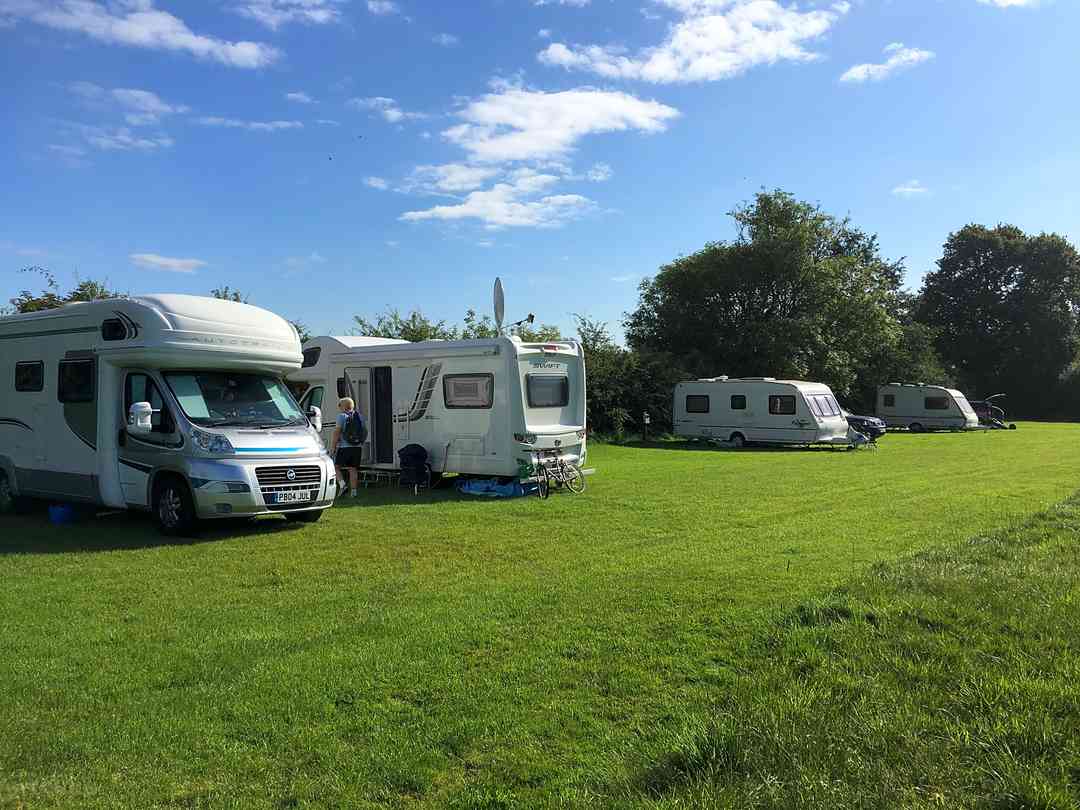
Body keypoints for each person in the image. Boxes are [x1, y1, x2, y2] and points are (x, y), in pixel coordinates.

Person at [331, 397, 364, 498]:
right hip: (357, 447)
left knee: (335, 467)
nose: (339, 408)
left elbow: (337, 432)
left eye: (339, 406)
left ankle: (342, 485)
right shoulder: (359, 416)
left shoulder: (341, 416)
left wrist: (333, 447)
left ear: (343, 406)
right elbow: (364, 431)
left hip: (345, 447)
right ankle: (354, 493)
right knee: (353, 469)